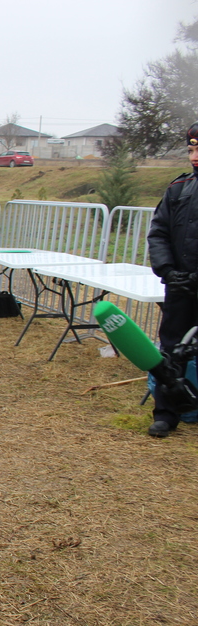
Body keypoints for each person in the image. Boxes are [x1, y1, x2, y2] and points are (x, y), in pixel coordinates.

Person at [146, 122, 198, 438]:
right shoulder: (178, 188)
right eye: (191, 149)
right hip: (179, 287)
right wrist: (168, 271)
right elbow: (159, 233)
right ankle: (167, 412)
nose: (194, 156)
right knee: (172, 350)